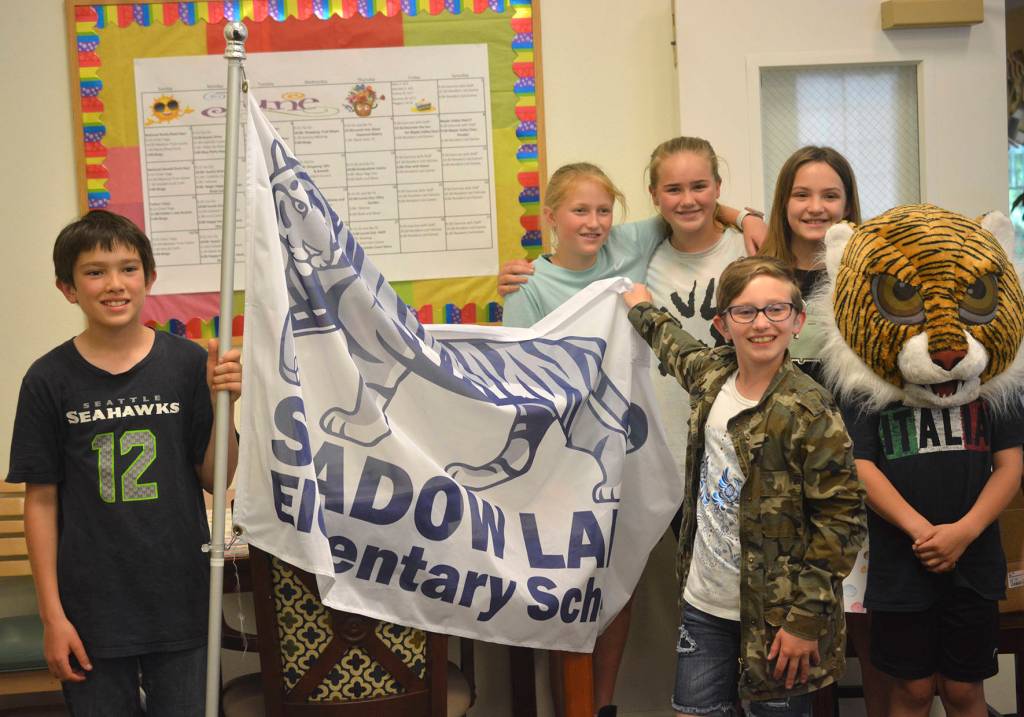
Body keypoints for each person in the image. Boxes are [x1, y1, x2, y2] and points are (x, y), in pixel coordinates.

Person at [500, 144, 762, 716]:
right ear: (550, 216)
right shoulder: (529, 286)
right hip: (568, 458)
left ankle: (603, 705)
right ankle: (573, 708)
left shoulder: (629, 244)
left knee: (619, 591)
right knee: (575, 591)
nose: (593, 223)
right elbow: (517, 380)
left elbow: (694, 202)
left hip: (635, 449)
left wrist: (746, 217)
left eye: (602, 211)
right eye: (578, 212)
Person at [6, 210, 242, 716]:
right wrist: (52, 616)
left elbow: (215, 475)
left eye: (128, 268)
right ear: (68, 288)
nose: (114, 284)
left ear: (149, 279)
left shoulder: (186, 364)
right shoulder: (48, 379)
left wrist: (225, 405)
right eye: (94, 272)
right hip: (90, 607)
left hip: (180, 596)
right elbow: (41, 502)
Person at [622, 256, 865, 717]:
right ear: (723, 324)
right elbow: (673, 344)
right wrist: (641, 306)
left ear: (797, 320)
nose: (761, 323)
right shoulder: (712, 377)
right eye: (745, 312)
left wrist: (806, 622)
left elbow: (841, 522)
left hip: (782, 619)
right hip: (704, 605)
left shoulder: (811, 409)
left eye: (775, 310)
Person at [757, 146, 887, 715]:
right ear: (784, 202)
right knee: (792, 637)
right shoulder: (761, 278)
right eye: (802, 195)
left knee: (869, 630)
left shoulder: (871, 276)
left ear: (849, 201)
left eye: (830, 195)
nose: (816, 207)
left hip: (858, 481)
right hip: (784, 486)